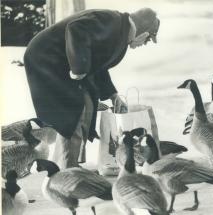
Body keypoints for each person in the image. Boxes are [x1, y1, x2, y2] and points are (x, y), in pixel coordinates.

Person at [24, 8, 160, 169]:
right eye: (148, 39)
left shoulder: (121, 32)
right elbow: (75, 28)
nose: (145, 44)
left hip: (61, 63)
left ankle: (65, 164)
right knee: (73, 113)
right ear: (143, 33)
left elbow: (98, 65)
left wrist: (112, 94)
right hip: (46, 58)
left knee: (87, 106)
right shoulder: (112, 22)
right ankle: (67, 169)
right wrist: (79, 67)